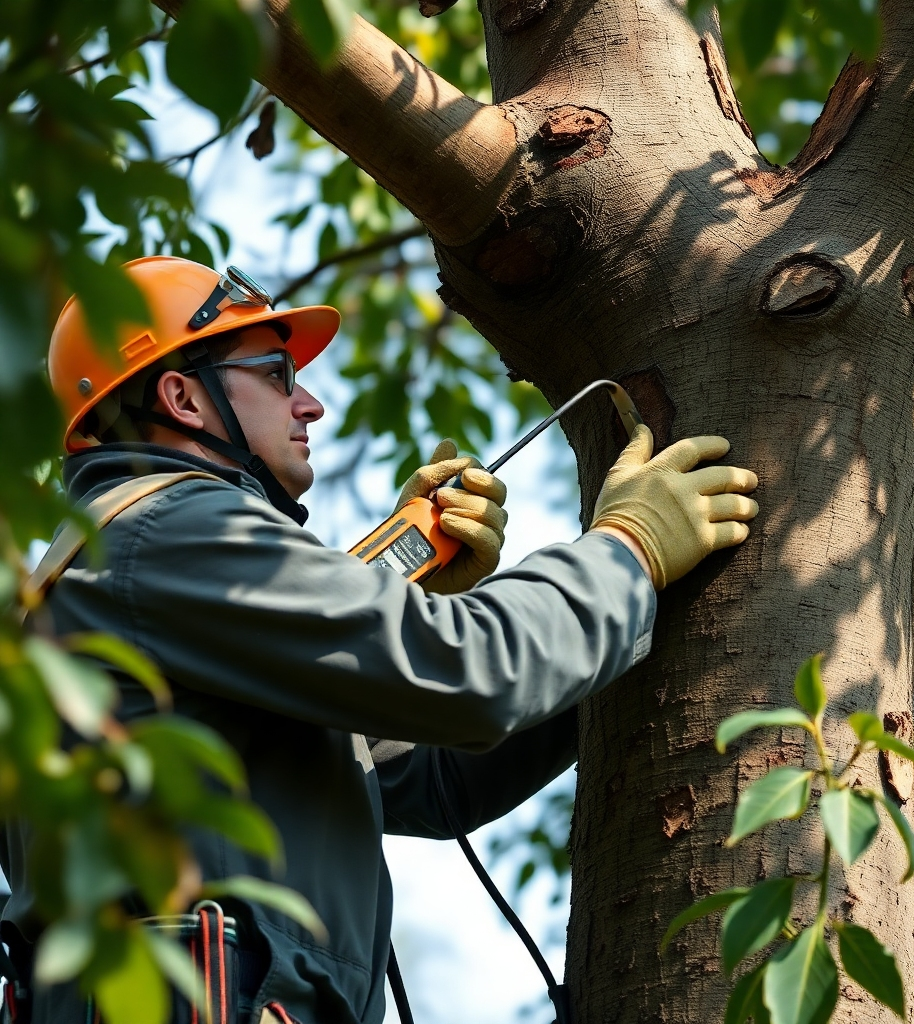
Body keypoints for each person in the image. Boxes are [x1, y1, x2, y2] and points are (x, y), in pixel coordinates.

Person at [6, 256, 759, 1024]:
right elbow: (476, 671)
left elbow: (435, 778)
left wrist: (630, 606)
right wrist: (626, 551)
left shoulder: (127, 556)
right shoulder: (167, 532)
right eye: (276, 374)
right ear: (182, 397)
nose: (311, 404)